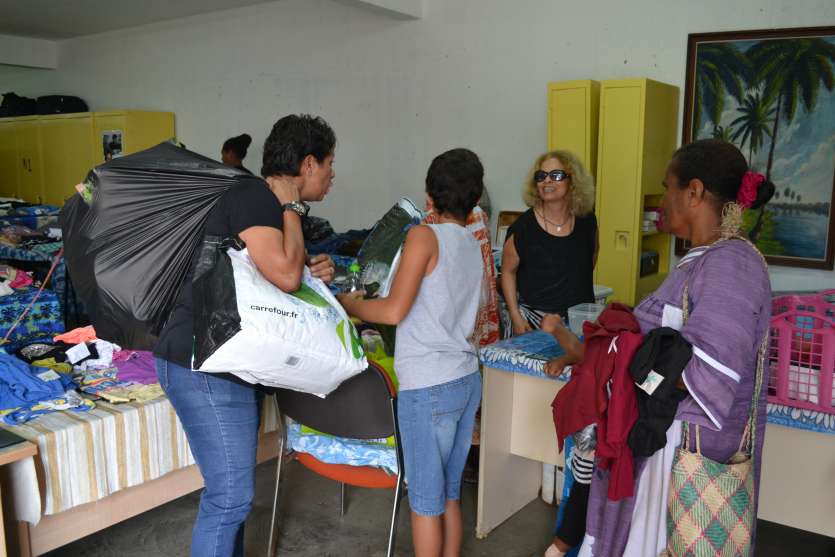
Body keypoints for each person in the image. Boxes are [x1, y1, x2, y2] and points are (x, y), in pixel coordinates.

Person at [578, 139, 775, 556]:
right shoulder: (705, 259)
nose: (662, 199)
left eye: (668, 187)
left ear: (695, 191)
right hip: (664, 448)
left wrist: (634, 362)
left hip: (687, 455)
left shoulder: (731, 265)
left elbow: (709, 372)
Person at [154, 114, 337, 557]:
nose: (333, 176)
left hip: (219, 358)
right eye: (330, 164)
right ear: (308, 164)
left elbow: (272, 278)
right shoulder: (256, 196)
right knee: (229, 497)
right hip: (206, 364)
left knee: (231, 495)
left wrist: (308, 270)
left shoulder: (256, 200)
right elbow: (285, 276)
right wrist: (293, 212)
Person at [338, 148, 484, 557]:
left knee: (424, 503)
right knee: (450, 495)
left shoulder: (423, 235)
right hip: (466, 380)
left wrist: (350, 305)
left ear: (430, 196)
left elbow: (393, 310)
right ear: (474, 198)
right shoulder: (473, 243)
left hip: (429, 387)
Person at [501, 150, 597, 337]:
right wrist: (515, 315)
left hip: (580, 322)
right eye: (541, 176)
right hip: (535, 323)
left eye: (556, 175)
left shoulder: (588, 221)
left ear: (573, 181)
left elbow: (590, 258)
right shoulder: (522, 228)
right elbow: (507, 271)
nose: (547, 181)